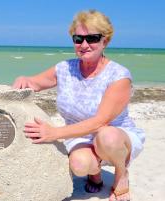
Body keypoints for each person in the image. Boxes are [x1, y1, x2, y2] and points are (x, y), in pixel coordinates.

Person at [12, 10, 145, 201]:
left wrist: (53, 133)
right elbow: (34, 82)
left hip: (115, 135)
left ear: (104, 41)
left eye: (92, 38)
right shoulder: (65, 68)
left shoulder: (119, 76)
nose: (84, 45)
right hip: (79, 135)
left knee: (106, 136)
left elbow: (100, 123)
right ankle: (95, 172)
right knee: (79, 165)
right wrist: (23, 79)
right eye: (78, 39)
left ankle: (121, 173)